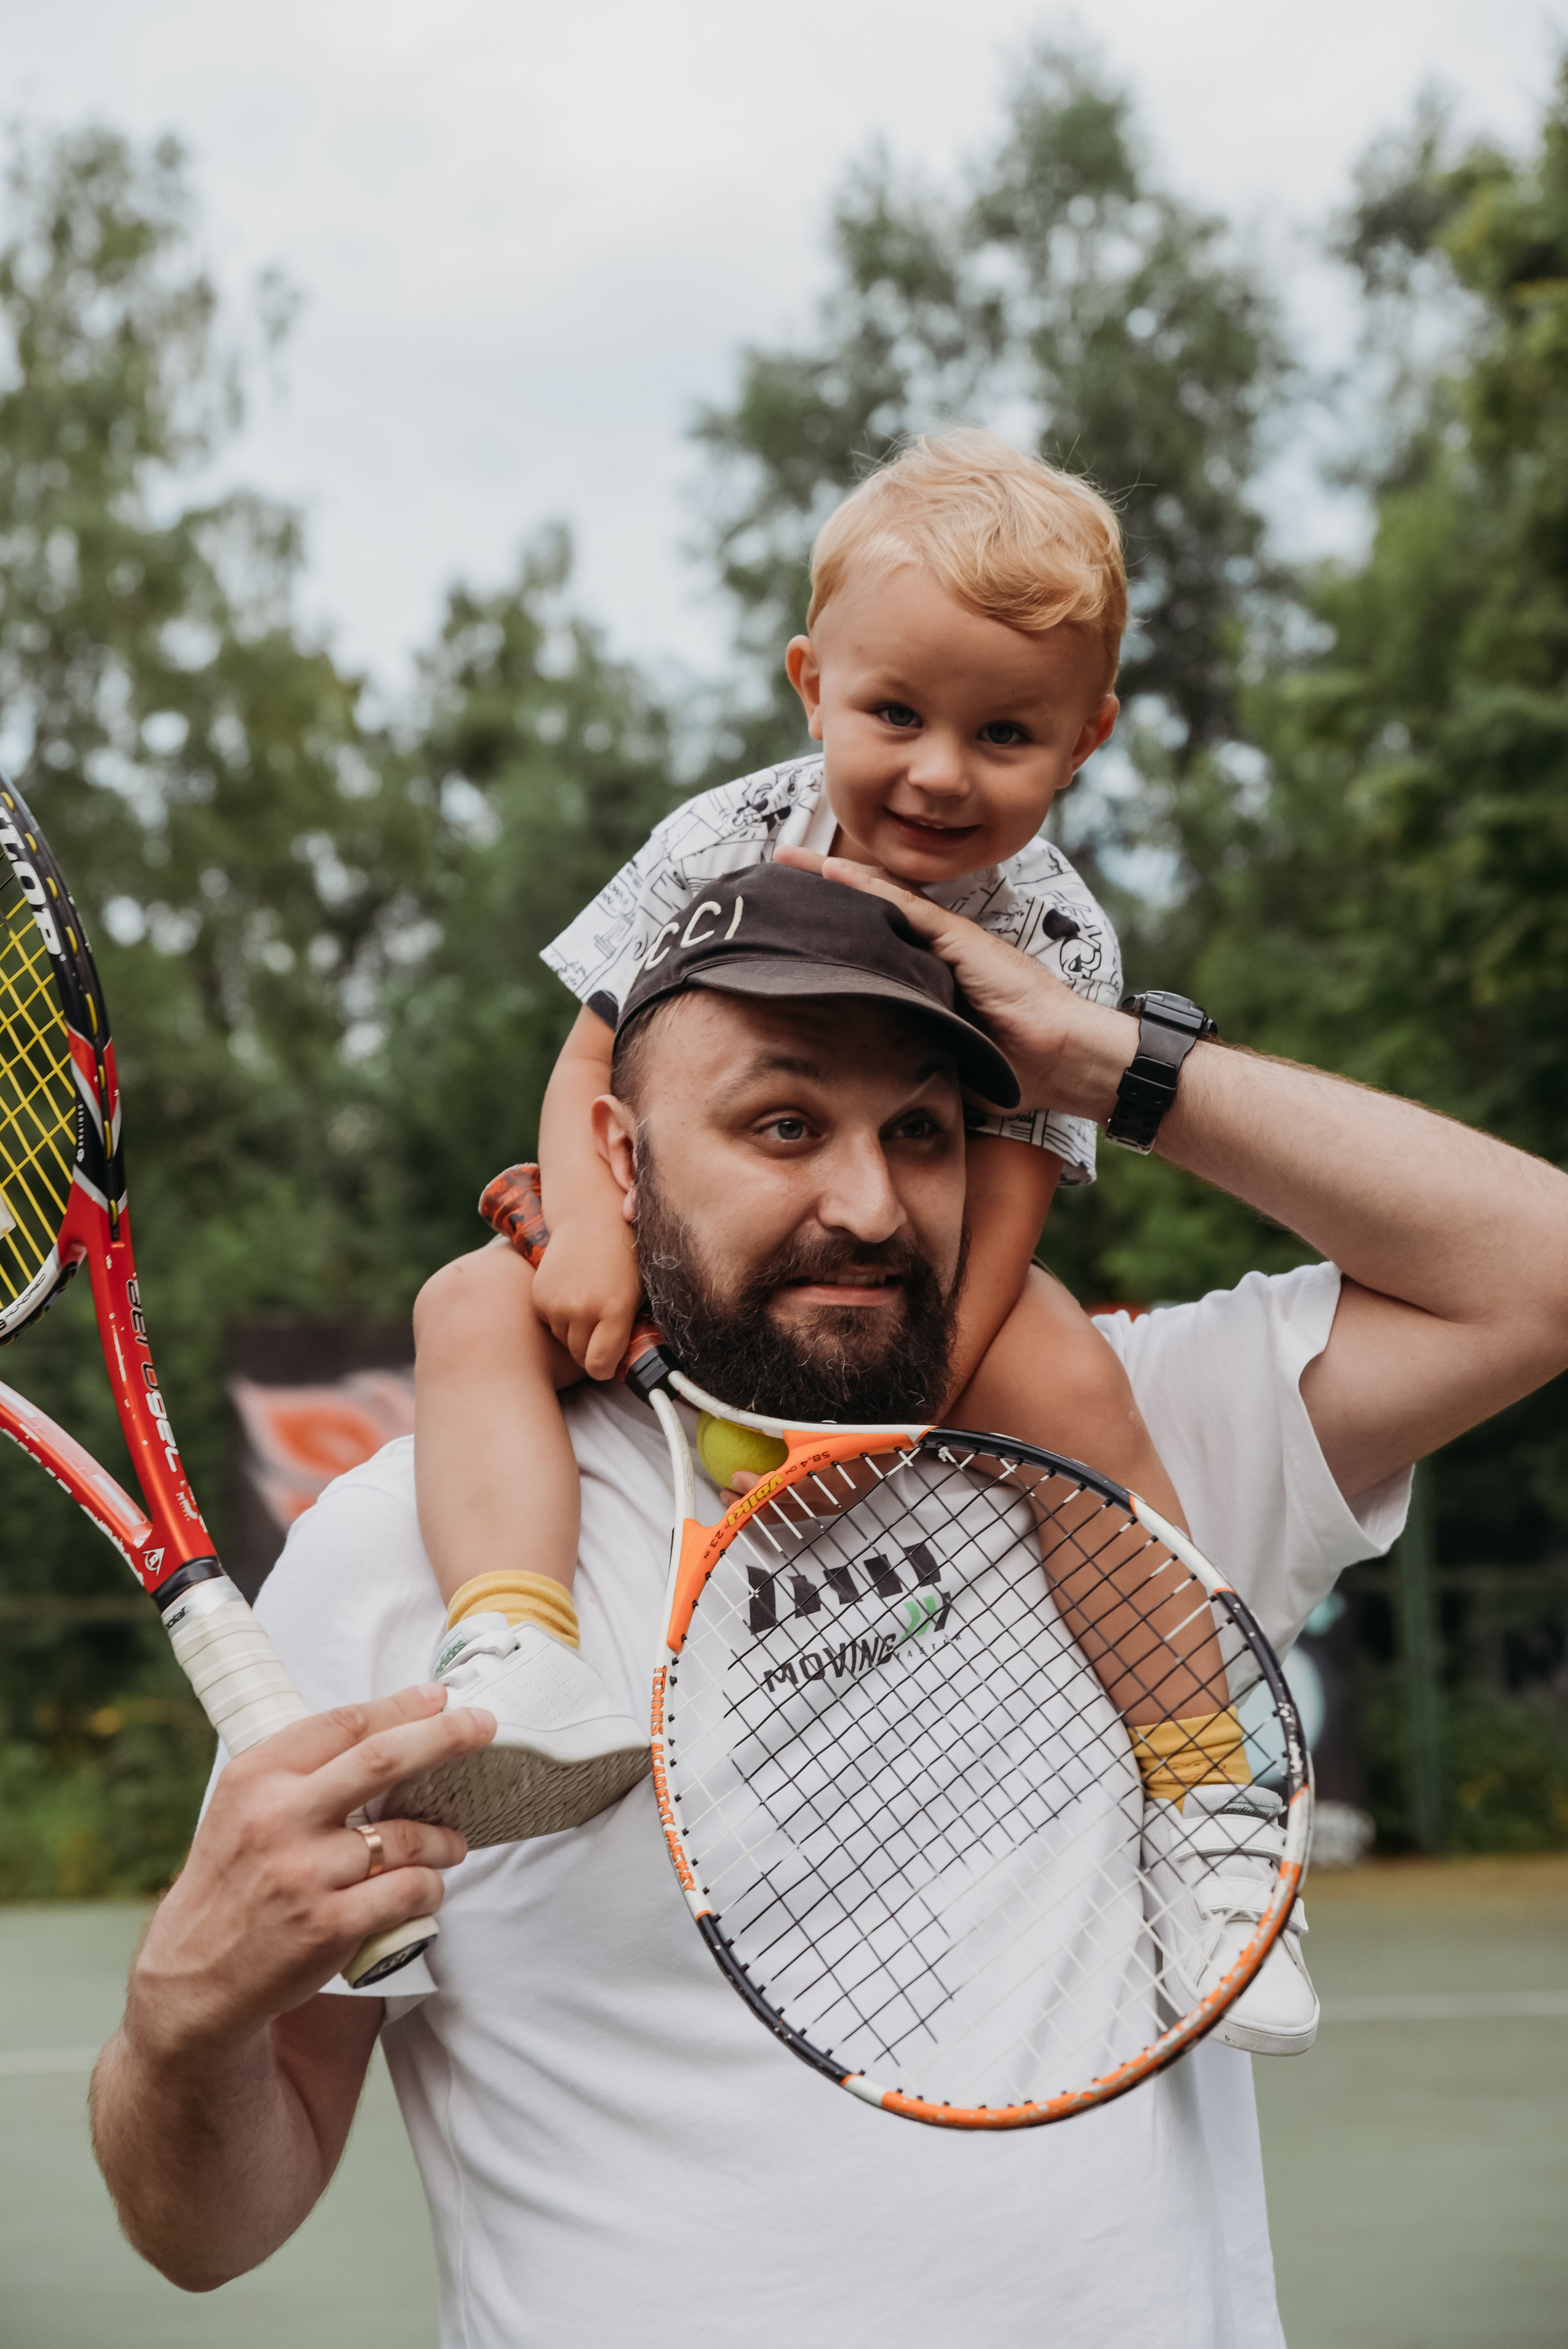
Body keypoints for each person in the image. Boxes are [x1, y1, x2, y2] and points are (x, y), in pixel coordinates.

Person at [92, 868, 1568, 2348]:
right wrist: (182, 2019)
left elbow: (1538, 1269)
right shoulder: (408, 1554)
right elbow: (205, 2232)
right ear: (616, 1154)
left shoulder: (1124, 1459)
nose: (867, 1204)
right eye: (782, 1125)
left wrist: (1109, 1061)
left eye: (919, 1132)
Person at [405, 428, 1222, 1858]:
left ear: (1086, 738)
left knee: (1074, 1387)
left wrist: (900, 1408)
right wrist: (594, 1232)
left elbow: (1009, 1194)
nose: (938, 775)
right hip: (708, 1233)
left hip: (918, 1271)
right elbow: (592, 1056)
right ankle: (515, 1642)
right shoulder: (718, 836)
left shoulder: (1059, 930)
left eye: (1006, 736)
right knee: (470, 1305)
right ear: (811, 687)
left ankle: (1206, 1783)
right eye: (892, 715)